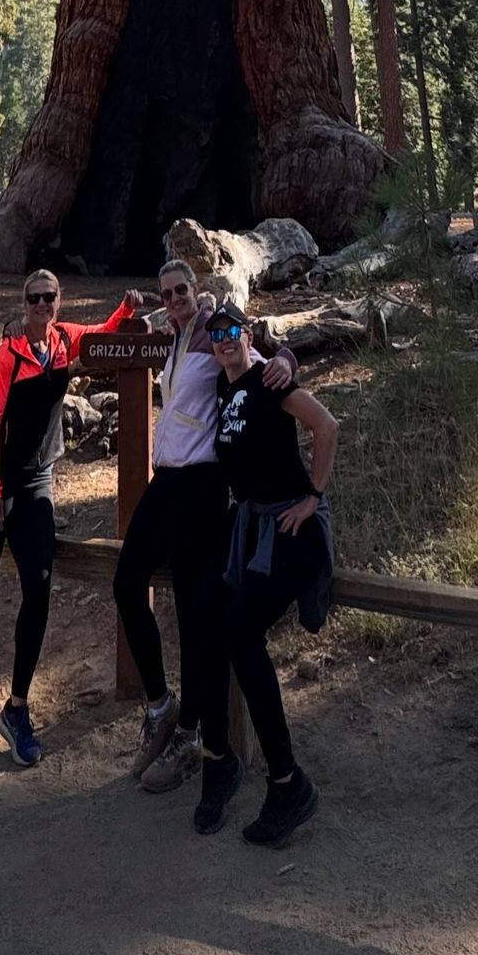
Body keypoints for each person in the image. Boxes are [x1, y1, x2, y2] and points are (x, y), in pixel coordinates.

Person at [111, 258, 296, 833]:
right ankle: (162, 709)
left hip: (201, 483)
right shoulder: (172, 338)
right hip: (166, 479)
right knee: (126, 581)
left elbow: (263, 361)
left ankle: (194, 737)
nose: (174, 300)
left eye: (182, 290)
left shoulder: (216, 333)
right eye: (166, 293)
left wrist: (287, 358)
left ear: (199, 290)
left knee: (195, 614)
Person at [0, 266, 141, 765]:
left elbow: (100, 335)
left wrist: (125, 311)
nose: (42, 306)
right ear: (23, 303)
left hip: (38, 481)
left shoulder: (63, 341)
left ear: (59, 302)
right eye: (34, 298)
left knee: (38, 589)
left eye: (49, 298)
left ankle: (16, 708)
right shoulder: (10, 354)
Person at [205, 300, 338, 847]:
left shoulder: (268, 380)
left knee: (240, 630)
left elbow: (326, 427)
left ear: (248, 334)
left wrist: (313, 496)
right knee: (220, 621)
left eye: (233, 330)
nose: (225, 340)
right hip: (254, 531)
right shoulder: (224, 389)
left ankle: (287, 782)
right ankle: (229, 759)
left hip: (291, 529)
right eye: (216, 333)